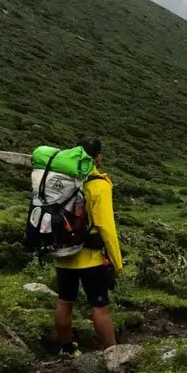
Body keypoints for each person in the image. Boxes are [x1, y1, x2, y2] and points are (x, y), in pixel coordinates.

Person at [53, 137, 124, 356]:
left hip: (63, 252)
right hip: (90, 257)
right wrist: (116, 262)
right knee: (100, 307)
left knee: (64, 301)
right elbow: (106, 227)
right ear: (97, 158)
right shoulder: (99, 185)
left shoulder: (63, 180)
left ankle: (66, 349)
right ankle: (114, 355)